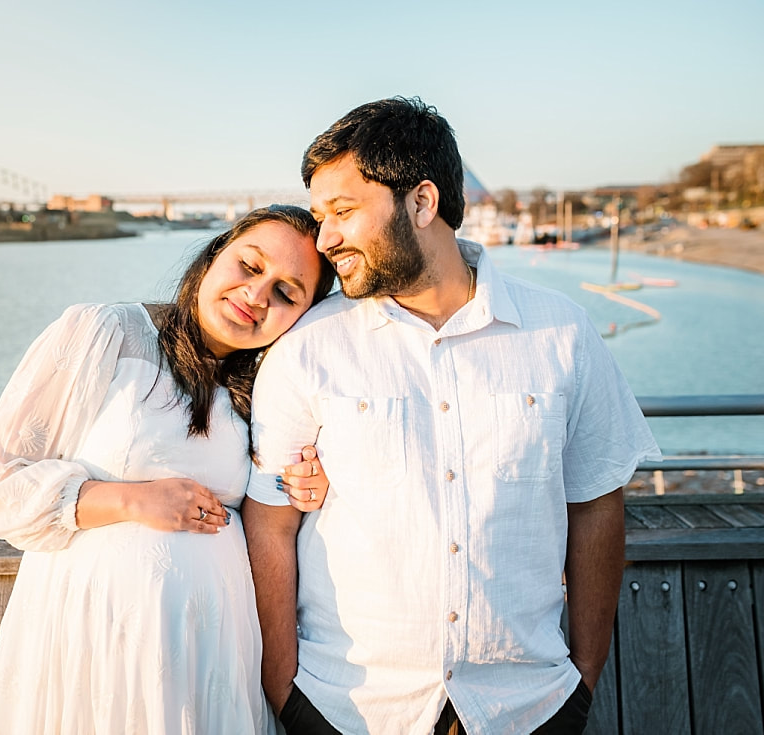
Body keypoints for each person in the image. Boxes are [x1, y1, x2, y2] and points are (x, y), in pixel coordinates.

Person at [242, 97, 661, 734]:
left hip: (528, 707)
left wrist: (584, 675)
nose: (324, 240)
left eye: (343, 212)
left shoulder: (562, 334)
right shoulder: (306, 348)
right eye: (320, 216)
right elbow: (269, 524)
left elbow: (598, 502)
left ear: (422, 202)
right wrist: (282, 686)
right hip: (347, 710)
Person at [0, 204, 336, 734]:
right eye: (250, 267)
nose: (257, 297)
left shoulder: (268, 388)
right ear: (214, 256)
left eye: (286, 293)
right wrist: (133, 500)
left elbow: (271, 499)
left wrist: (306, 482)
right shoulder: (106, 331)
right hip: (96, 637)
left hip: (210, 658)